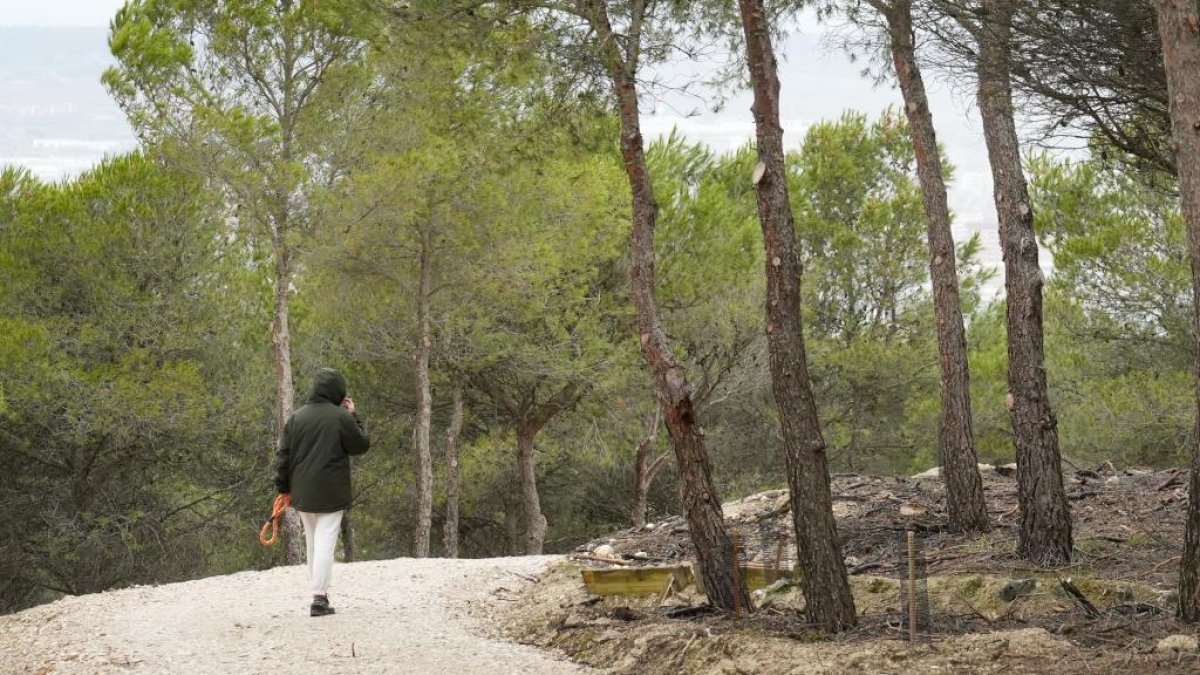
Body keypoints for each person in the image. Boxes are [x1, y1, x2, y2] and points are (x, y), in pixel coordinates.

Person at [274, 367, 370, 617]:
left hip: (302, 493)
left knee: (312, 541)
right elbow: (360, 445)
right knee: (325, 542)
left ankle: (318, 592)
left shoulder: (297, 417)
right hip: (331, 492)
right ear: (338, 391)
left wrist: (283, 488)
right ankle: (319, 598)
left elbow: (283, 456)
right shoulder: (341, 417)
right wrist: (354, 416)